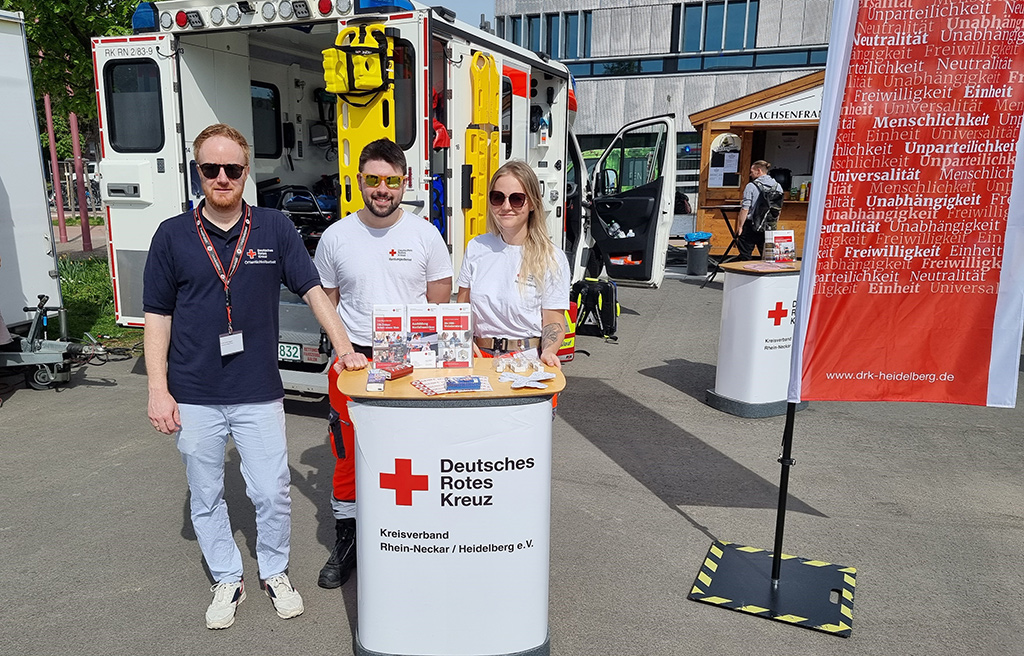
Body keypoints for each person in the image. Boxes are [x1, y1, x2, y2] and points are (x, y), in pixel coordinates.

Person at [143, 123, 364, 630]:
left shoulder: (273, 227)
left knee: (270, 491)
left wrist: (346, 348)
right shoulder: (172, 235)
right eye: (210, 168)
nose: (222, 178)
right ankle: (227, 577)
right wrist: (158, 388)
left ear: (247, 172)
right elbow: (157, 315)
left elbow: (311, 289)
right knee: (205, 494)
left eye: (233, 169)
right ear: (197, 171)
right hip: (194, 392)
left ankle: (274, 570)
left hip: (258, 389)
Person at [313, 138, 452, 589]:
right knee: (348, 456)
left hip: (410, 363)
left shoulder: (425, 235)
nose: (382, 189)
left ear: (404, 183)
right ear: (359, 181)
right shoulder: (336, 237)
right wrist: (339, 352)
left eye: (392, 181)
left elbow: (439, 303)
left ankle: (416, 538)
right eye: (373, 179)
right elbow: (327, 303)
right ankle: (348, 542)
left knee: (413, 454)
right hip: (354, 360)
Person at [456, 160, 569, 367]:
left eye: (517, 199)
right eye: (497, 198)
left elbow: (554, 321)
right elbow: (463, 307)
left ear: (533, 203)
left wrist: (549, 351)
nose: (506, 206)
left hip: (525, 360)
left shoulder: (552, 257)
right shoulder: (476, 247)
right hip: (479, 360)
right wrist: (464, 340)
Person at [736, 160, 783, 260]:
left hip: (751, 224)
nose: (750, 174)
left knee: (745, 254)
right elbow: (778, 209)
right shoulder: (778, 187)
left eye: (752, 172)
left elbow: (745, 208)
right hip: (768, 226)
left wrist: (740, 226)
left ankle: (746, 274)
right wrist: (774, 223)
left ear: (758, 171)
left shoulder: (751, 186)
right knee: (768, 257)